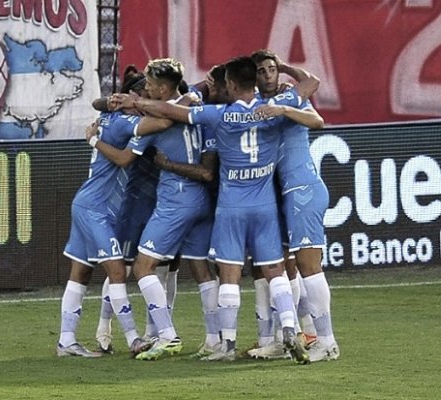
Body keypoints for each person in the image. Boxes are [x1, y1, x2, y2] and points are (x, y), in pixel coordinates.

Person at [117, 56, 320, 363]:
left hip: (231, 207)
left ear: (232, 85)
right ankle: (290, 329)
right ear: (254, 82)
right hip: (264, 205)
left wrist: (134, 105)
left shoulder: (220, 115)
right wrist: (284, 85)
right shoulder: (274, 108)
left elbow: (171, 110)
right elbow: (310, 84)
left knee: (229, 275)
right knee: (275, 270)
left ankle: (226, 345)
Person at [88, 58, 217, 361]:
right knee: (199, 269)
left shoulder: (154, 124)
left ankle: (167, 336)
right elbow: (189, 98)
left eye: (148, 84)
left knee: (142, 268)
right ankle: (217, 340)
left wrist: (94, 139)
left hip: (175, 200)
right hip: (201, 199)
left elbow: (123, 158)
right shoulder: (194, 106)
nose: (143, 88)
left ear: (161, 88)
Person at [56, 71, 172, 358]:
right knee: (118, 271)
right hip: (94, 207)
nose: (146, 96)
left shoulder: (112, 117)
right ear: (131, 97)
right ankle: (133, 338)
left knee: (80, 272)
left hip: (91, 203)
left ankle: (66, 340)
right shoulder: (124, 123)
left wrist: (111, 103)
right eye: (142, 93)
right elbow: (165, 121)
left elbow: (100, 104)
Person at [250, 49, 340, 362]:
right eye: (261, 71)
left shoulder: (291, 98)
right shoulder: (257, 107)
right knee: (285, 269)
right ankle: (285, 337)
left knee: (309, 267)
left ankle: (327, 342)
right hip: (281, 195)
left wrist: (284, 109)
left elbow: (318, 121)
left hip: (304, 189)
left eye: (271, 69)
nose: (267, 75)